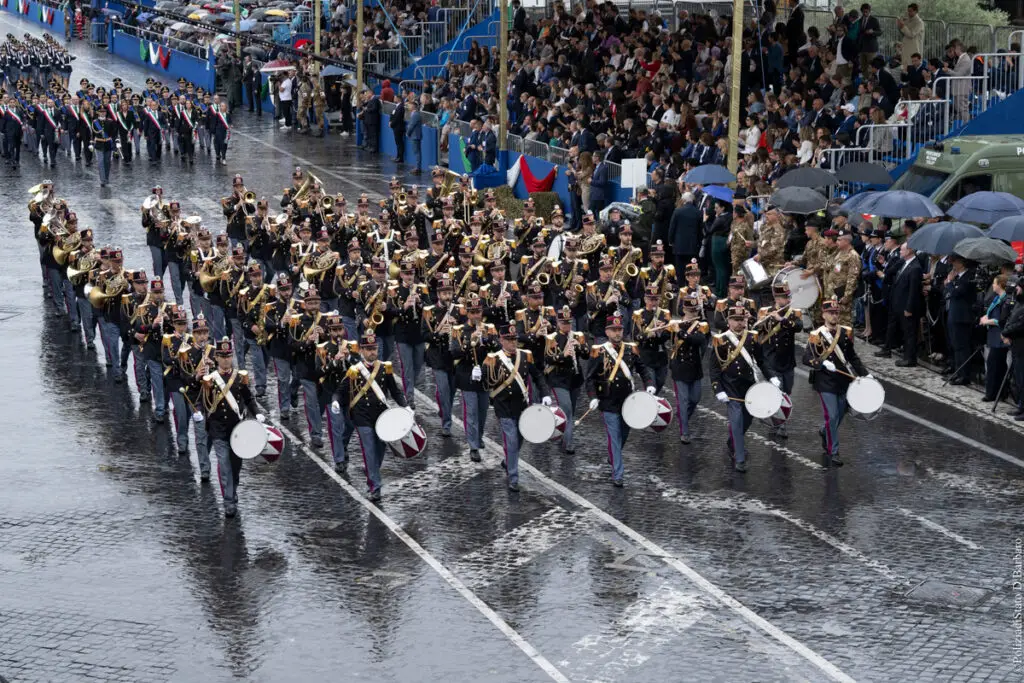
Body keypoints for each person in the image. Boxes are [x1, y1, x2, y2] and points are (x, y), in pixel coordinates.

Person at [333, 330, 408, 502]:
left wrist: (406, 406)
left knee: (380, 449)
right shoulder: (354, 370)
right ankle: (375, 485)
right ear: (361, 351)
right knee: (369, 448)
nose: (372, 352)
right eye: (368, 349)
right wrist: (336, 401)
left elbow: (395, 391)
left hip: (381, 416)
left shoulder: (385, 368)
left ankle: (372, 471)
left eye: (374, 348)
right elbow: (341, 391)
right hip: (361, 416)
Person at [194, 336, 264, 517]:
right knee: (224, 464)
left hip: (237, 429)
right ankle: (229, 501)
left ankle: (232, 490)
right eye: (222, 356)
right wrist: (199, 411)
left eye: (228, 356)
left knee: (235, 466)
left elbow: (248, 398)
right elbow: (202, 399)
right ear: (216, 357)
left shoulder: (240, 377)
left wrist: (256, 413)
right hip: (218, 428)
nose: (226, 360)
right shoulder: (210, 378)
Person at [584, 313, 654, 487]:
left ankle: (612, 457)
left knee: (624, 435)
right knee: (614, 438)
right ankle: (618, 473)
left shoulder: (631, 349)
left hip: (628, 401)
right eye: (613, 330)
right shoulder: (598, 351)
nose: (617, 333)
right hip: (608, 401)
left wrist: (649, 383)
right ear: (607, 332)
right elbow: (590, 378)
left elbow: (643, 369)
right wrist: (593, 397)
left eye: (619, 330)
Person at [803, 297, 872, 467]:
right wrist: (821, 363)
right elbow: (807, 357)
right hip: (825, 382)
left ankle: (824, 430)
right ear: (823, 314)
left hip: (843, 381)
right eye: (831, 313)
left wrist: (865, 374)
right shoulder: (816, 335)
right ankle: (833, 451)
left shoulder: (846, 332)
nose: (834, 316)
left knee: (841, 413)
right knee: (832, 415)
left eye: (836, 313)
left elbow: (852, 357)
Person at [483, 323, 551, 492]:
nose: (513, 343)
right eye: (509, 340)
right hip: (503, 406)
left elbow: (538, 376)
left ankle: (508, 461)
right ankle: (513, 477)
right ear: (501, 340)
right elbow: (485, 383)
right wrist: (478, 373)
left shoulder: (525, 356)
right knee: (512, 440)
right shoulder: (493, 358)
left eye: (514, 340)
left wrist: (545, 393)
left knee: (519, 439)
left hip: (521, 406)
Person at [709, 304, 777, 473]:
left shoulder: (752, 338)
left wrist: (772, 376)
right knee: (737, 421)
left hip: (748, 387)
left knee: (747, 420)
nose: (740, 323)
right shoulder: (721, 340)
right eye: (736, 320)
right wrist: (718, 390)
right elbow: (714, 368)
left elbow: (761, 361)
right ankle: (739, 458)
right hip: (730, 387)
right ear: (729, 321)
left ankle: (732, 442)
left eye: (742, 320)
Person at [451, 294, 499, 461]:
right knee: (471, 412)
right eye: (472, 312)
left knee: (483, 411)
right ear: (468, 314)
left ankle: (478, 437)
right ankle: (473, 446)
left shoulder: (489, 328)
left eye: (478, 311)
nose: (476, 315)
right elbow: (454, 352)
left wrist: (486, 339)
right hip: (467, 377)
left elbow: (498, 348)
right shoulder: (459, 330)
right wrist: (468, 342)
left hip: (485, 377)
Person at [756, 282, 801, 438]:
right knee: (778, 393)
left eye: (788, 297)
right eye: (784, 298)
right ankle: (780, 424)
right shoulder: (765, 312)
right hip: (771, 360)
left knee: (787, 393)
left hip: (787, 361)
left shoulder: (792, 313)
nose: (787, 301)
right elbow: (756, 332)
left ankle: (776, 420)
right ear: (776, 298)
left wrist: (781, 319)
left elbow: (798, 327)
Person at [669, 295, 709, 444]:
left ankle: (682, 417)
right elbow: (664, 338)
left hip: (695, 368)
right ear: (684, 309)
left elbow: (698, 340)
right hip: (680, 367)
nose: (693, 313)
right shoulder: (675, 325)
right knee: (683, 400)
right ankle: (684, 431)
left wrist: (680, 332)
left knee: (695, 399)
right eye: (690, 310)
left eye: (695, 310)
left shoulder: (701, 325)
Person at [877, 242, 923, 366]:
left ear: (909, 251)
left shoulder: (915, 267)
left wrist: (909, 308)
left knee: (909, 332)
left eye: (902, 250)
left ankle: (910, 358)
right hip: (896, 302)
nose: (900, 252)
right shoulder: (903, 263)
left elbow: (914, 291)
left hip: (906, 305)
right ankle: (889, 349)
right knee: (898, 328)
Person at [943, 255, 976, 386]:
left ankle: (964, 375)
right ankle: (957, 372)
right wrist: (950, 284)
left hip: (962, 317)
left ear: (962, 263)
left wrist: (950, 283)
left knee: (962, 347)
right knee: (955, 346)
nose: (952, 265)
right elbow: (949, 292)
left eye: (954, 262)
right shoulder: (958, 277)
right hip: (954, 315)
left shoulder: (968, 277)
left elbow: (957, 293)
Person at [981, 274, 1012, 403]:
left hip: (999, 337)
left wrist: (987, 321)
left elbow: (1001, 320)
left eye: (994, 283)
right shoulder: (997, 298)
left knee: (994, 364)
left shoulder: (1005, 300)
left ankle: (992, 393)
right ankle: (1001, 392)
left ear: (1000, 284)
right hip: (994, 336)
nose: (993, 285)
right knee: (999, 365)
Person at [1001, 278, 1024, 420]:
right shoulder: (1018, 303)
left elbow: (1020, 325)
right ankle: (1021, 406)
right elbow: (1010, 319)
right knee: (1019, 379)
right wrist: (1006, 331)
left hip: (1022, 346)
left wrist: (1006, 333)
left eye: (1019, 288)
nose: (1017, 290)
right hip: (1016, 345)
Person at [92, 106, 115, 187]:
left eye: (104, 112)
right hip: (99, 144)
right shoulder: (95, 122)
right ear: (98, 113)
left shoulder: (110, 121)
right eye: (101, 112)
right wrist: (91, 143)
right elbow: (93, 134)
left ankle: (106, 178)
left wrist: (116, 142)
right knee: (101, 162)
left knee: (107, 162)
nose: (102, 113)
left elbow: (114, 133)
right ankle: (102, 180)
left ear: (106, 113)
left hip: (108, 144)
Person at [407, 100, 423, 174]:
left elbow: (411, 125)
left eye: (409, 105)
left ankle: (418, 168)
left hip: (415, 136)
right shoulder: (414, 114)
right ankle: (417, 167)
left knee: (417, 152)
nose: (408, 107)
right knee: (416, 152)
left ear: (413, 106)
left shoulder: (415, 114)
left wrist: (408, 133)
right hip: (415, 135)